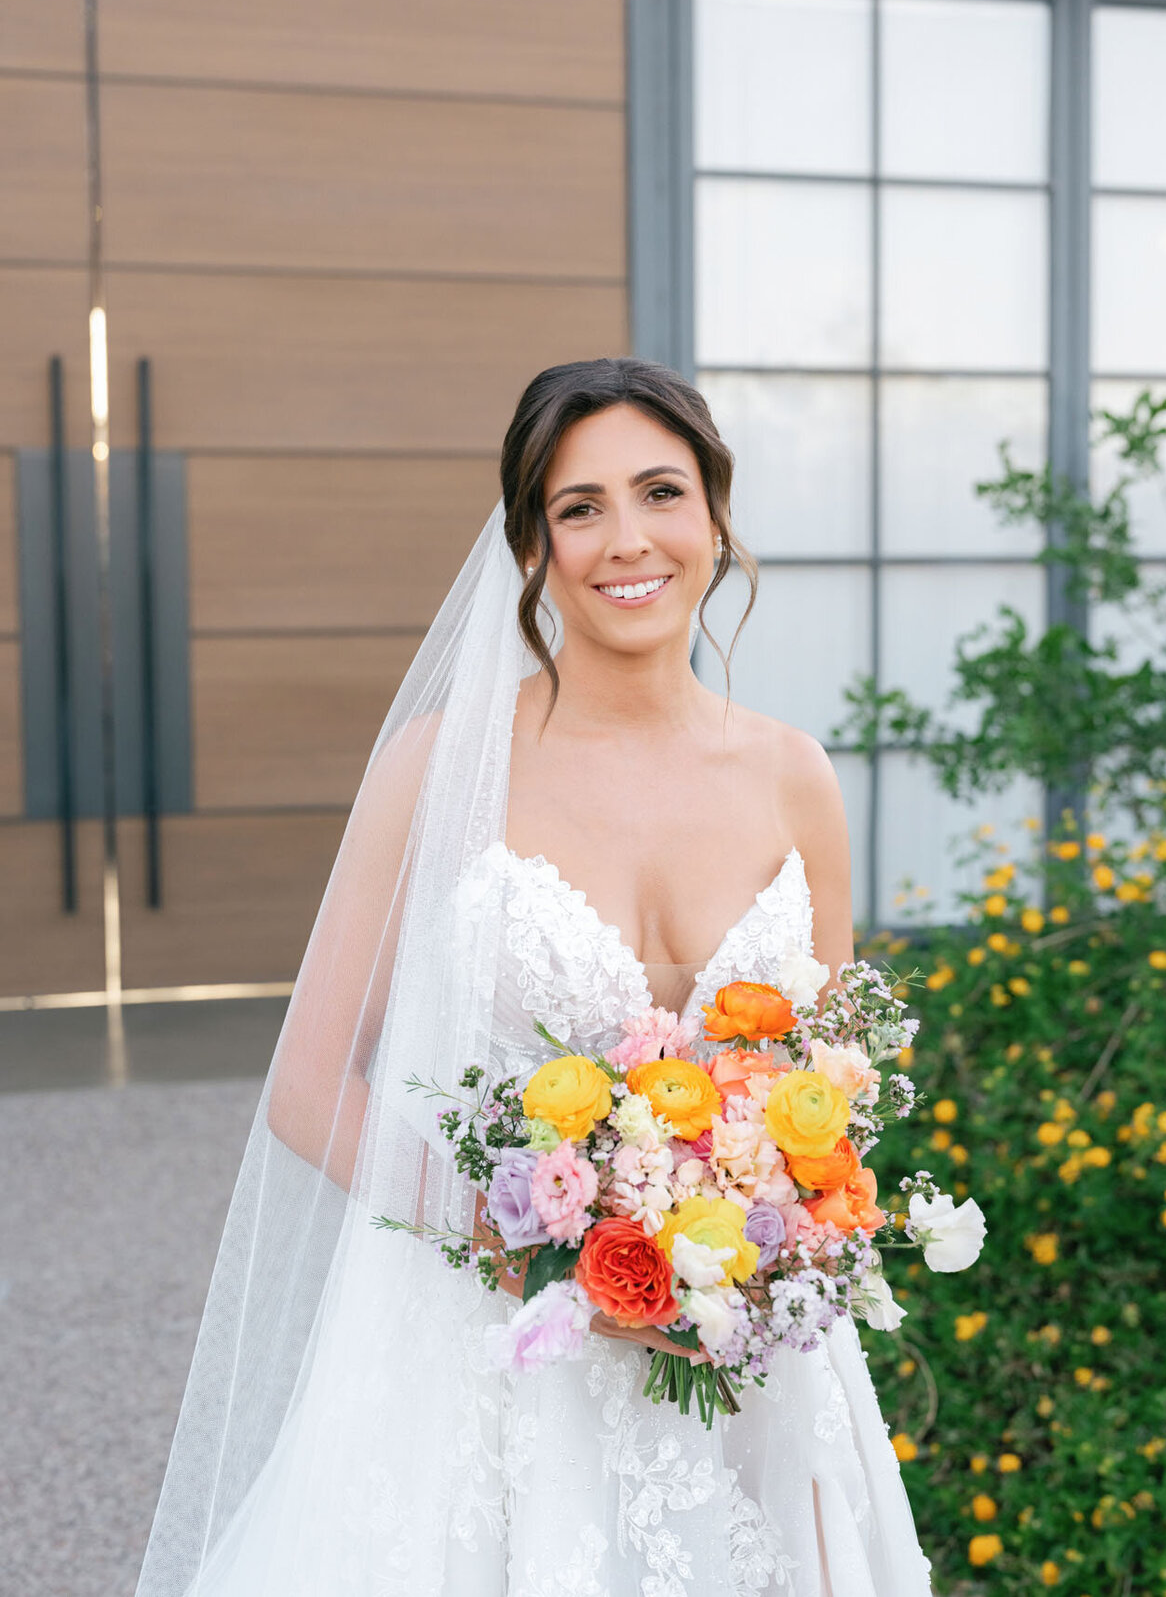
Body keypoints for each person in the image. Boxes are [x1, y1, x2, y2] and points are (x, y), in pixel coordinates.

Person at [134, 358, 934, 1597]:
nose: (629, 539)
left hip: (750, 1358)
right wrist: (544, 1248)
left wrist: (771, 1234)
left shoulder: (795, 777)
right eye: (579, 507)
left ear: (715, 519)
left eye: (662, 491)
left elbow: (828, 1084)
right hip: (504, 1358)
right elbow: (309, 1085)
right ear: (529, 546)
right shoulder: (441, 765)